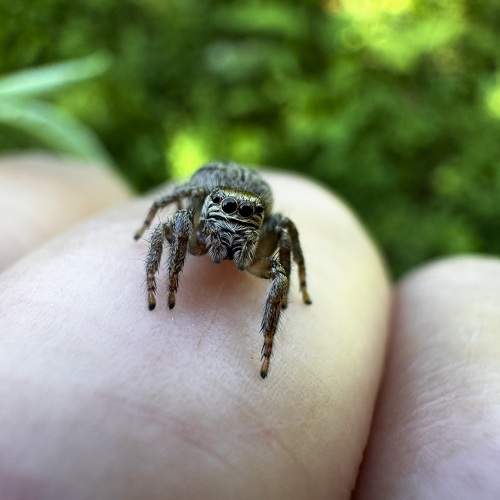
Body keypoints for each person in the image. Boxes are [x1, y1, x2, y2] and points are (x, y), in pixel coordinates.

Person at [1, 155, 498, 500]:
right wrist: (161, 276)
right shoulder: (193, 214)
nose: (236, 220)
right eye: (226, 211)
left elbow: (287, 244)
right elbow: (169, 213)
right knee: (172, 227)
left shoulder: (269, 233)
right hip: (207, 183)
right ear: (207, 207)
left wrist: (299, 287)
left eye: (248, 217)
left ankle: (265, 339)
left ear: (261, 221)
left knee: (277, 272)